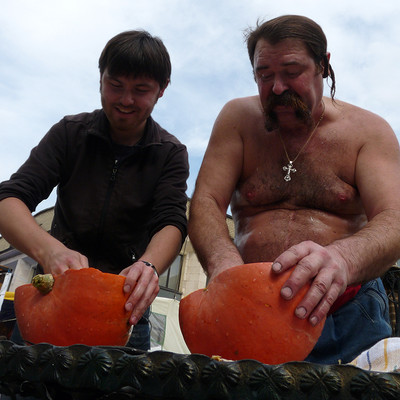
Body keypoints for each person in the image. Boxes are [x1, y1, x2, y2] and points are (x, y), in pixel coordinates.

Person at [188, 15, 400, 364]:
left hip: (346, 311)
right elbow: (207, 201)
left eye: (292, 71)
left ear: (323, 66)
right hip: (248, 309)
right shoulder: (237, 120)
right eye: (264, 75)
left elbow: (393, 219)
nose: (277, 88)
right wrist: (222, 262)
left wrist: (342, 259)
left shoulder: (370, 132)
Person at [0, 30, 189, 351]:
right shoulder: (69, 133)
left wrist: (148, 265)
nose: (126, 100)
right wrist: (48, 250)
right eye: (115, 85)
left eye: (141, 90)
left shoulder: (170, 153)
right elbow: (9, 199)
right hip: (52, 302)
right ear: (100, 79)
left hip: (126, 311)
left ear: (162, 90)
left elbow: (171, 221)